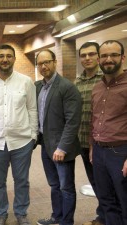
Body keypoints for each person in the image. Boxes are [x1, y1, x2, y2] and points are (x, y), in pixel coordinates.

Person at [0, 44, 38, 225]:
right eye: (1, 56)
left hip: (22, 141)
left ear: (14, 59)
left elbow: (32, 109)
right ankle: (2, 213)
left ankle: (21, 213)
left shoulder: (26, 82)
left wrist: (33, 135)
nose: (5, 59)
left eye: (9, 56)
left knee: (22, 180)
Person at [35, 49, 81, 225]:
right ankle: (56, 216)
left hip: (61, 148)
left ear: (55, 62)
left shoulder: (67, 87)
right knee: (54, 185)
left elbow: (72, 121)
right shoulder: (38, 86)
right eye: (40, 63)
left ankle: (66, 221)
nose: (44, 66)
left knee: (66, 187)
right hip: (46, 145)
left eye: (47, 62)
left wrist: (62, 147)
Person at [91, 40, 127, 225]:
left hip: (121, 152)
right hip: (98, 151)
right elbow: (95, 119)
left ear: (123, 57)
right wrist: (92, 147)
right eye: (104, 56)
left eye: (113, 55)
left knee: (125, 200)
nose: (108, 59)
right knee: (106, 200)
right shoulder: (97, 87)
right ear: (99, 59)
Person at [75, 42, 104, 225]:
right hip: (84, 142)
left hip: (104, 143)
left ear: (99, 57)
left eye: (91, 54)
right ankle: (103, 216)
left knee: (110, 183)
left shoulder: (107, 78)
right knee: (96, 183)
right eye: (84, 55)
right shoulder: (77, 82)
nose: (87, 58)